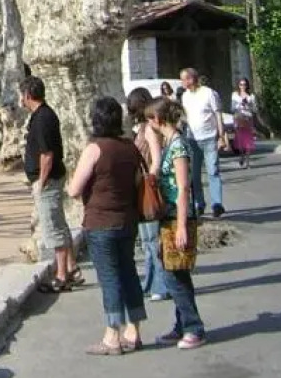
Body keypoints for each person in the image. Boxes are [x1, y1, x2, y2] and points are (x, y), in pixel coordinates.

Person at [68, 96, 147, 356]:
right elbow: (138, 181)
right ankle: (134, 330)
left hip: (101, 221)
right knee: (129, 272)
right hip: (128, 219)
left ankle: (112, 335)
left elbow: (74, 189)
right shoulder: (130, 147)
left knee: (109, 277)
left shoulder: (95, 149)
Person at [146, 97, 208, 350]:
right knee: (177, 273)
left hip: (177, 217)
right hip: (169, 216)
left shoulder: (179, 146)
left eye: (149, 120)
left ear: (157, 119)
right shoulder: (170, 143)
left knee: (173, 276)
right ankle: (182, 325)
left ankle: (194, 327)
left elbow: (183, 187)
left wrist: (182, 225)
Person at [21, 76, 77, 294]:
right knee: (59, 223)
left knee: (53, 227)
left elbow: (47, 154)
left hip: (48, 179)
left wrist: (41, 182)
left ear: (27, 95)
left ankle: (61, 275)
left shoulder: (43, 118)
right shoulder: (42, 115)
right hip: (50, 177)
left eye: (21, 95)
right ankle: (71, 268)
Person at [126, 87, 168, 303]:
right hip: (142, 187)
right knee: (146, 241)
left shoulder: (150, 130)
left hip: (147, 187)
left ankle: (161, 285)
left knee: (152, 240)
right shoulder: (143, 128)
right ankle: (151, 282)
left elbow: (156, 160)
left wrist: (150, 181)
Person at [178, 68, 227, 218]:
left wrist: (221, 136)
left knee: (213, 170)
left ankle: (217, 204)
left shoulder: (209, 93)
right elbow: (187, 116)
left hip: (210, 137)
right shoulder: (185, 96)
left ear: (192, 79)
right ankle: (199, 204)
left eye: (184, 79)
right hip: (192, 139)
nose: (182, 82)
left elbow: (218, 115)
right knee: (195, 174)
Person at [230, 78, 260, 168]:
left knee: (248, 141)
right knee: (240, 141)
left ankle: (247, 162)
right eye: (241, 84)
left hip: (248, 118)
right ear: (238, 85)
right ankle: (241, 155)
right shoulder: (235, 95)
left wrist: (248, 105)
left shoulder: (251, 96)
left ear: (247, 85)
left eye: (244, 84)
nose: (243, 86)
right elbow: (232, 108)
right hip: (238, 118)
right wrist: (240, 105)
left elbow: (255, 109)